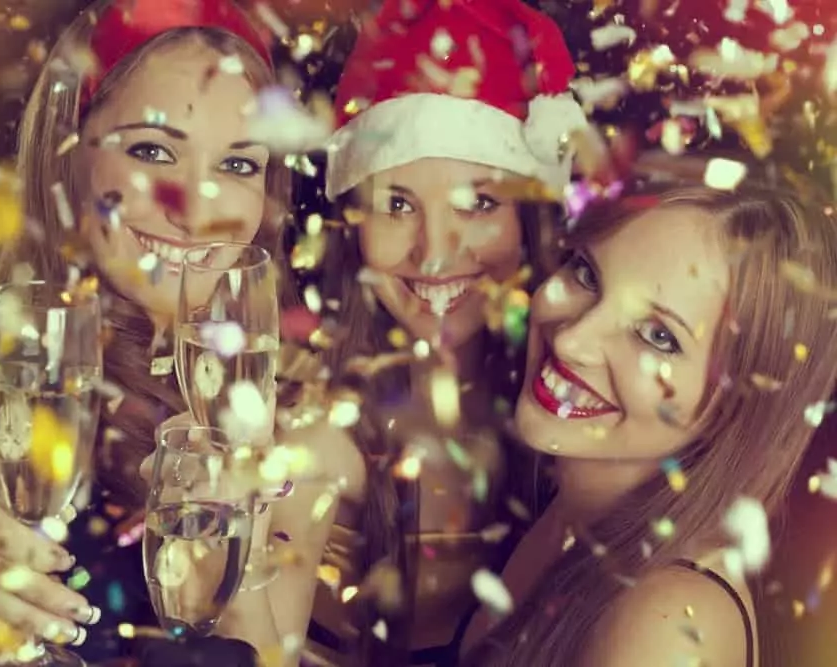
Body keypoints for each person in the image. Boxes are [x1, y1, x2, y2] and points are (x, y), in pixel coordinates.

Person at [0, 0, 328, 664]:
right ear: (70, 159)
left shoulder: (271, 411)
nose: (197, 206)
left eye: (238, 165)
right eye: (153, 150)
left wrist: (243, 557)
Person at [297, 0, 588, 664]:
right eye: (396, 203)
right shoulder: (306, 425)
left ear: (530, 222)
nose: (434, 253)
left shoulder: (586, 424)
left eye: (479, 202)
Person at [457, 181, 837, 667]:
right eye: (587, 274)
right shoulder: (570, 508)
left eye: (659, 336)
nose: (573, 339)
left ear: (737, 408)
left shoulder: (667, 628)